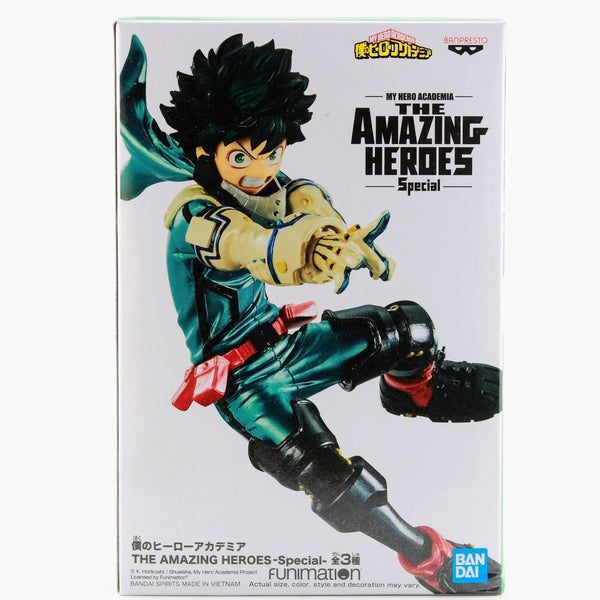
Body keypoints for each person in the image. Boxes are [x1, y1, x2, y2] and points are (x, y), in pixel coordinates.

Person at [119, 33, 502, 594]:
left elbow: (305, 199)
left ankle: (414, 390)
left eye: (271, 152)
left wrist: (335, 237)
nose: (259, 170)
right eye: (241, 157)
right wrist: (309, 252)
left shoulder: (266, 185)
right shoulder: (197, 220)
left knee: (409, 326)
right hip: (246, 384)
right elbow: (256, 247)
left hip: (288, 343)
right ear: (207, 154)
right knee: (333, 479)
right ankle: (433, 560)